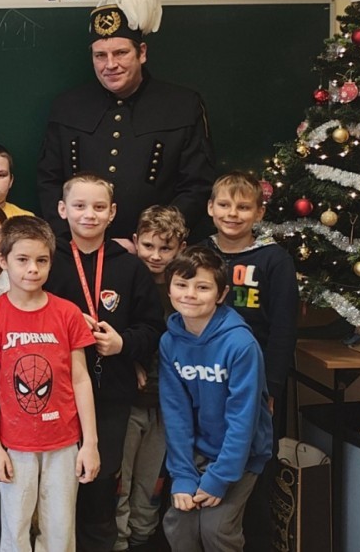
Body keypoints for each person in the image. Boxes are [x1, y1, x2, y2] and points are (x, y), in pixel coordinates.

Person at [44, 174, 164, 552]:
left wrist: (122, 344)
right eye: (79, 206)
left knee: (99, 482)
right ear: (62, 209)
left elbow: (153, 328)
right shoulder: (46, 260)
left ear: (112, 213)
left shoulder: (130, 267)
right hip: (53, 395)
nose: (89, 215)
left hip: (110, 393)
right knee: (56, 485)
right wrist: (64, 324)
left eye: (99, 207)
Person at [36, 3, 216, 242]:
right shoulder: (67, 106)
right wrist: (74, 240)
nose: (110, 64)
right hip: (77, 249)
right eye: (100, 55)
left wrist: (152, 241)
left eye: (121, 53)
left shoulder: (182, 105)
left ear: (142, 52)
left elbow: (197, 185)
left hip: (155, 252)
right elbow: (49, 181)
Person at [0, 216, 99, 552]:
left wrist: (90, 443)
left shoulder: (67, 313)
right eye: (23, 259)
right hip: (14, 443)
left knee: (60, 527)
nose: (33, 269)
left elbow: (80, 379)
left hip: (63, 440)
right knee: (14, 526)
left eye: (41, 260)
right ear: (3, 260)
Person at [201, 171, 297, 547]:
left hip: (255, 383)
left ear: (259, 213)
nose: (232, 214)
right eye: (224, 205)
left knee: (255, 463)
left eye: (243, 207)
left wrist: (271, 387)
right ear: (210, 208)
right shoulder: (199, 253)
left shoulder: (275, 260)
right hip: (204, 377)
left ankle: (255, 539)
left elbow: (284, 329)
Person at [159, 246, 273, 552]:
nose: (190, 294)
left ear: (221, 294)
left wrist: (220, 478)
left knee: (216, 529)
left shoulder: (241, 345)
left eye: (202, 287)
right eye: (181, 285)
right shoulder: (169, 342)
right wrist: (183, 474)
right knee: (179, 524)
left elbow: (243, 420)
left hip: (240, 454)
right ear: (169, 289)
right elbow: (176, 413)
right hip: (197, 451)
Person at [116, 205, 187, 552]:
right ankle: (119, 540)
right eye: (148, 246)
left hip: (168, 404)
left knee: (151, 480)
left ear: (180, 249)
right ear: (135, 242)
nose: (156, 256)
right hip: (130, 400)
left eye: (165, 248)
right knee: (122, 478)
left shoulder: (184, 291)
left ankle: (142, 537)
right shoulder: (124, 281)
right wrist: (131, 363)